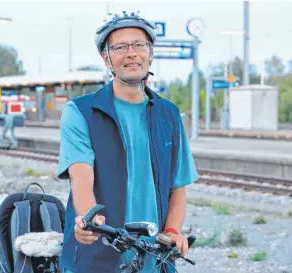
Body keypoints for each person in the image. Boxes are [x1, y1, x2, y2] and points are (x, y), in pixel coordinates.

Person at [57, 10, 198, 273]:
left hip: (156, 256)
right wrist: (89, 219)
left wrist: (172, 231)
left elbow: (178, 186)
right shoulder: (81, 112)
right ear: (106, 58)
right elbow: (81, 176)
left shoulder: (169, 114)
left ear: (151, 52)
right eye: (120, 47)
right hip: (100, 254)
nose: (131, 53)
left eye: (139, 45)